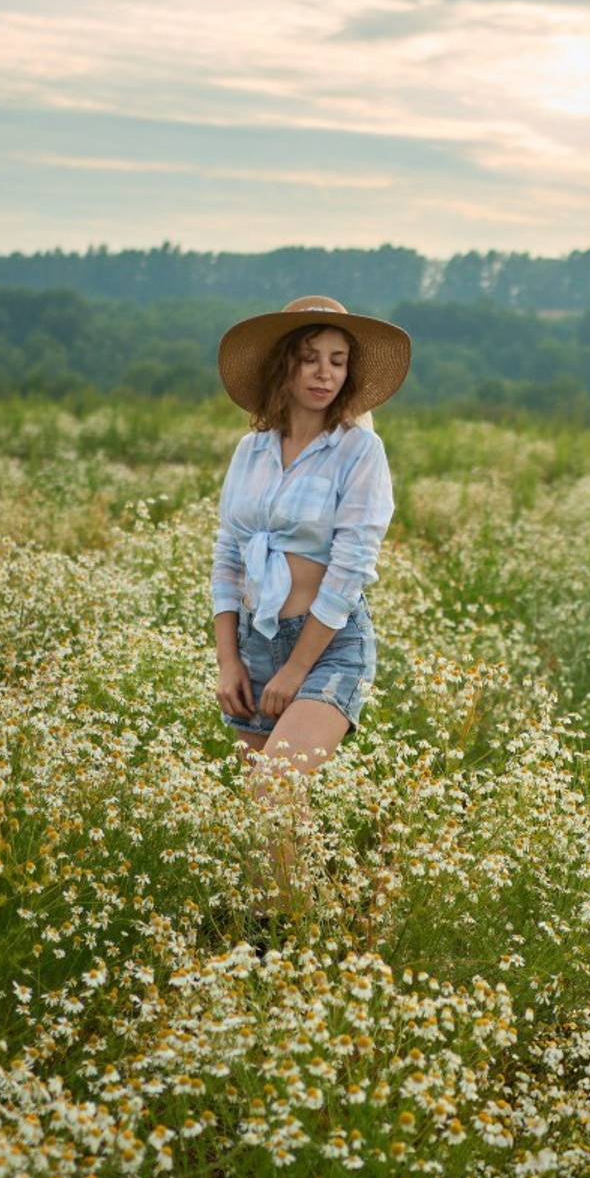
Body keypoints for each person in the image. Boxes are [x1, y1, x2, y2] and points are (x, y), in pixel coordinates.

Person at [210, 294, 410, 912]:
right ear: (283, 368)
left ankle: (322, 921)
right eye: (310, 359)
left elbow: (350, 572)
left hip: (327, 648)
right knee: (268, 822)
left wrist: (297, 669)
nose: (325, 373)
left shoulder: (359, 451)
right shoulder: (251, 451)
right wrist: (228, 661)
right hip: (254, 642)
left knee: (274, 789)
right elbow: (227, 556)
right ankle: (293, 938)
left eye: (338, 360)